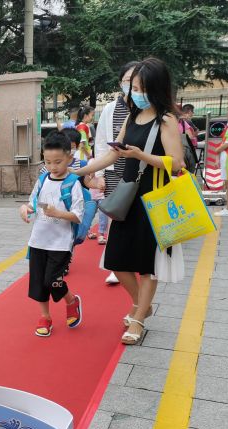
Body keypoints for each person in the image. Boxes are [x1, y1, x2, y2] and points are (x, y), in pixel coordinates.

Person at [76, 57, 184, 345]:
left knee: (147, 264)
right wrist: (79, 170)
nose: (134, 92)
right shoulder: (131, 116)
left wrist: (140, 156)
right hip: (127, 197)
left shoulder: (167, 120)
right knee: (117, 259)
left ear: (156, 88)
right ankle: (142, 305)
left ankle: (137, 320)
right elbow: (112, 154)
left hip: (154, 198)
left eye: (139, 87)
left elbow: (176, 163)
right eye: (133, 86)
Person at [19, 131, 84, 337]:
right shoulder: (43, 179)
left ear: (69, 158)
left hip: (61, 243)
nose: (52, 167)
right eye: (48, 162)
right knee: (38, 282)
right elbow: (32, 202)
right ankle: (45, 317)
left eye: (58, 162)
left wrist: (58, 213)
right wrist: (25, 208)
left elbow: (78, 215)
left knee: (52, 281)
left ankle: (71, 301)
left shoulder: (73, 183)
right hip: (38, 240)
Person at [94, 61, 139, 280]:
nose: (131, 86)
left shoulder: (148, 109)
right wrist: (99, 174)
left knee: (139, 216)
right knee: (116, 216)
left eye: (136, 81)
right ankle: (116, 263)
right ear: (121, 82)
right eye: (127, 81)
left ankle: (138, 257)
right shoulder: (111, 109)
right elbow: (102, 143)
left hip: (141, 172)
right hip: (115, 171)